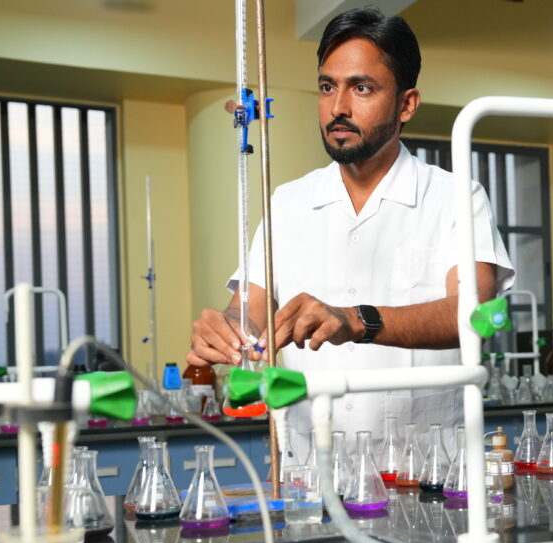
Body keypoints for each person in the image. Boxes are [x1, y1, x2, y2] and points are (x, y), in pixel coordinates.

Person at [187, 7, 513, 459]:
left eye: (362, 88)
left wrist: (358, 320)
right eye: (327, 87)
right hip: (312, 471)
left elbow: (475, 317)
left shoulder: (455, 196)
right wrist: (224, 330)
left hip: (427, 473)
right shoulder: (287, 202)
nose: (338, 108)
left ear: (406, 104)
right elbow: (250, 312)